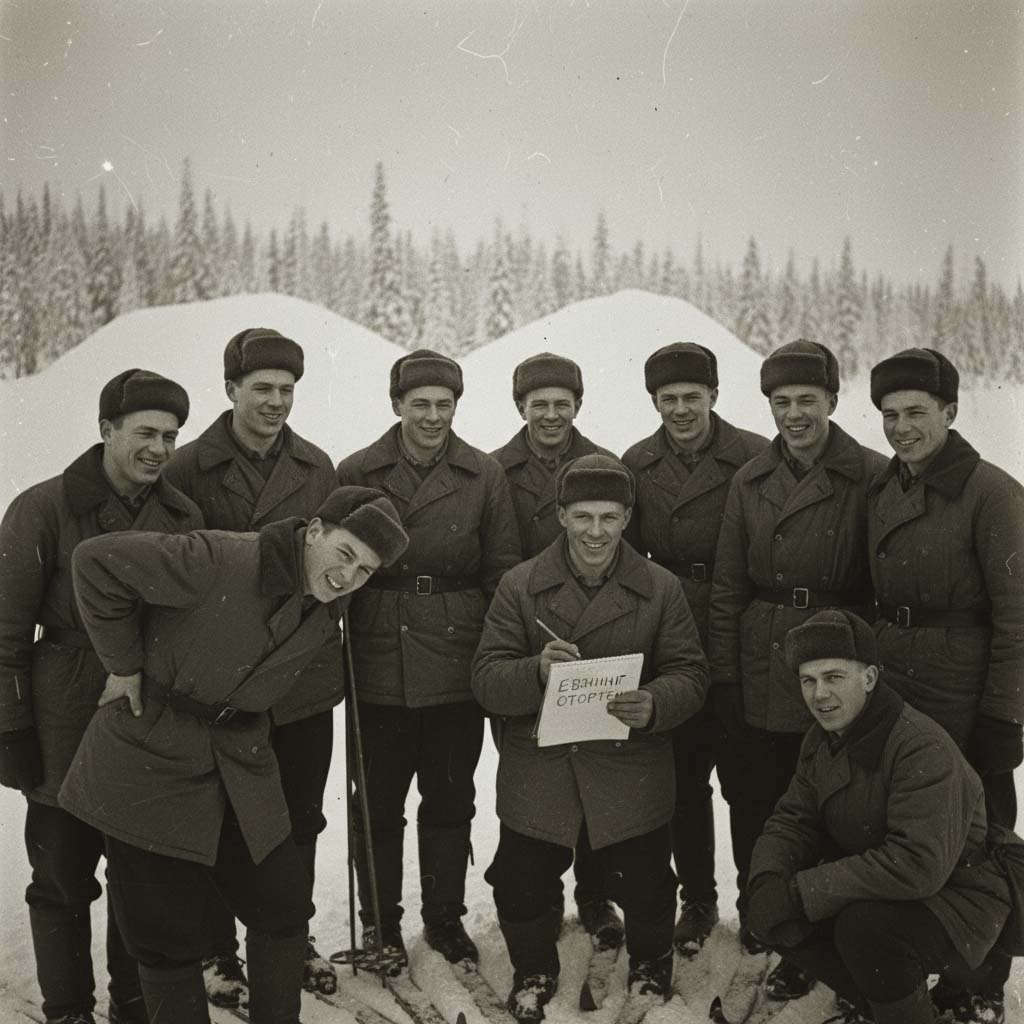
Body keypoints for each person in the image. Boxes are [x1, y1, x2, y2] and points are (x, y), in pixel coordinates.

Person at [57, 487, 409, 1024]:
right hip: (149, 757)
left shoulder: (323, 605)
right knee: (164, 934)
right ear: (314, 531)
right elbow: (95, 562)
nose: (348, 576)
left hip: (239, 762)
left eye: (364, 570)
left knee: (283, 904)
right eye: (344, 553)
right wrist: (123, 663)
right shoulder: (219, 559)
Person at [472, 453, 709, 1022]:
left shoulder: (659, 587)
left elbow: (692, 673)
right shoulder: (521, 585)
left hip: (629, 760)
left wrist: (654, 703)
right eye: (582, 517)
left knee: (650, 883)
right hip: (543, 761)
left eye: (608, 517)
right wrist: (536, 672)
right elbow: (485, 678)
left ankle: (651, 966)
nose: (595, 532)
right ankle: (534, 969)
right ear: (560, 515)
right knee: (520, 881)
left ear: (627, 517)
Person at [0, 369, 201, 1024]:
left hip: (146, 718)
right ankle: (67, 1012)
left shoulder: (181, 516)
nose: (159, 448)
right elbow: (4, 628)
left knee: (139, 881)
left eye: (171, 435)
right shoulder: (44, 507)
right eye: (145, 432)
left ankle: (133, 1009)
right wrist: (10, 728)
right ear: (106, 429)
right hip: (63, 714)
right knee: (60, 876)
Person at [163, 326, 341, 1007]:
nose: (274, 402)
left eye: (286, 390)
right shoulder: (187, 469)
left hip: (298, 679)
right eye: (261, 388)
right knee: (219, 814)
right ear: (231, 388)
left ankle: (289, 936)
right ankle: (217, 951)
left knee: (298, 817)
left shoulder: (318, 467)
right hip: (223, 682)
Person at [707, 339, 887, 1000]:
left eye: (807, 400)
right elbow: (728, 586)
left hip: (836, 655)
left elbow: (880, 578)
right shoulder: (750, 478)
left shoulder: (869, 474)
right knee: (758, 799)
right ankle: (770, 918)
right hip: (762, 659)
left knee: (834, 806)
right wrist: (726, 677)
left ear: (833, 401)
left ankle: (824, 936)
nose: (794, 414)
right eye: (781, 402)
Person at [335, 349, 521, 968]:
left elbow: (501, 572)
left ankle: (444, 920)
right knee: (377, 804)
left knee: (449, 799)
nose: (433, 417)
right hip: (379, 656)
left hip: (455, 658)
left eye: (444, 405)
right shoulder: (358, 469)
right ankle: (379, 924)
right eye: (420, 404)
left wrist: (494, 652)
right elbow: (334, 568)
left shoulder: (483, 473)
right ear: (397, 406)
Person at [746, 609, 1012, 1024]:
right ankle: (885, 1004)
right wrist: (766, 879)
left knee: (861, 929)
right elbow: (793, 818)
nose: (819, 694)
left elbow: (919, 864)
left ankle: (923, 1003)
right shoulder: (823, 738)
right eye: (808, 680)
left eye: (834, 677)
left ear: (868, 679)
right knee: (773, 912)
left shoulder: (919, 746)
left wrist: (802, 891)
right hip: (889, 885)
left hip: (961, 896)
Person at [867, 347, 1024, 1023]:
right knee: (909, 831)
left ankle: (982, 985)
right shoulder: (883, 487)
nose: (902, 428)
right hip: (899, 688)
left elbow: (1019, 615)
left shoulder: (991, 492)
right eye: (889, 414)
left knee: (980, 841)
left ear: (951, 413)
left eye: (916, 413)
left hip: (964, 694)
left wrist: (1003, 716)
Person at [621, 341, 769, 957]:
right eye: (668, 399)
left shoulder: (756, 457)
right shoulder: (637, 461)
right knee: (683, 783)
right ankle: (699, 901)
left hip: (740, 631)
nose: (681, 409)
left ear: (713, 395)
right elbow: (626, 557)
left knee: (750, 784)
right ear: (654, 401)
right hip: (671, 637)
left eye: (692, 396)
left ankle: (761, 905)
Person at [489, 352, 623, 949]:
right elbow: (497, 558)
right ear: (520, 407)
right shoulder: (496, 470)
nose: (550, 415)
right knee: (532, 771)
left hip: (594, 637)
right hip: (527, 636)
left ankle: (595, 895)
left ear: (577, 406)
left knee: (594, 765)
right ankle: (533, 891)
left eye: (561, 404)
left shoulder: (604, 467)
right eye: (537, 404)